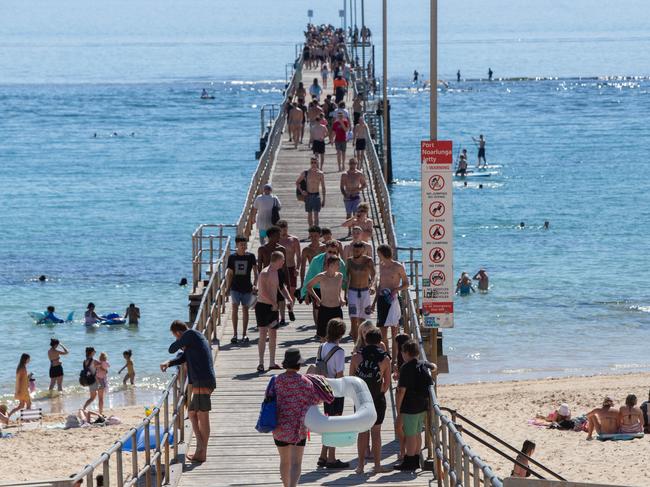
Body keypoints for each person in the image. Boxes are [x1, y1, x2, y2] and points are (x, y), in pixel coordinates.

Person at [161, 320, 216, 463]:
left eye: (175, 336)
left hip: (203, 380)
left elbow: (172, 348)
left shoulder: (190, 334)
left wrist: (180, 341)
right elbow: (182, 357)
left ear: (178, 333)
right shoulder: (193, 339)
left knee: (203, 415)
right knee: (192, 413)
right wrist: (169, 363)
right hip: (200, 380)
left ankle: (202, 451)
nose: (176, 339)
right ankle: (201, 447)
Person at [272, 348, 323, 487]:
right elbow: (316, 400)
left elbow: (268, 399)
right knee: (296, 462)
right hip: (298, 429)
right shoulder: (305, 382)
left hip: (279, 427)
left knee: (284, 461)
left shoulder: (276, 380)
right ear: (298, 364)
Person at [350, 328, 391, 474]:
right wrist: (379, 394)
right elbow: (387, 383)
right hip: (377, 399)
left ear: (365, 340)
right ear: (380, 342)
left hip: (361, 399)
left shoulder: (355, 357)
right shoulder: (385, 359)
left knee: (362, 432)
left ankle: (360, 466)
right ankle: (377, 465)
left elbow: (351, 380)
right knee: (376, 432)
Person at [395, 339, 435, 471]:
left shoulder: (406, 368)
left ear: (406, 352)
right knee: (417, 433)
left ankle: (409, 461)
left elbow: (402, 391)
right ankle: (416, 459)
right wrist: (432, 368)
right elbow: (434, 366)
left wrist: (398, 407)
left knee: (410, 434)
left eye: (402, 352)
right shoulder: (422, 363)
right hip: (422, 405)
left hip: (410, 406)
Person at [316, 319, 348, 469]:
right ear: (341, 334)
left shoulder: (321, 346)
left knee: (329, 422)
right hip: (335, 390)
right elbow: (340, 374)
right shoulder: (339, 351)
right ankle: (331, 458)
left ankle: (323, 455)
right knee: (335, 424)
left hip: (324, 389)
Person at [255, 252, 293, 372]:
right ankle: (261, 362)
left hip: (273, 307)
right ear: (276, 260)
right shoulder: (264, 273)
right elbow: (263, 292)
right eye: (282, 260)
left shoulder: (277, 272)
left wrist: (289, 298)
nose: (283, 262)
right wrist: (273, 303)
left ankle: (272, 362)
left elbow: (281, 287)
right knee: (262, 334)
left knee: (273, 334)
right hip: (263, 306)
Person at [374, 244, 409, 359]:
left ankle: (395, 360)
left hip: (393, 300)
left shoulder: (398, 266)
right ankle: (387, 358)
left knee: (395, 333)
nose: (378, 256)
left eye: (379, 254)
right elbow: (380, 284)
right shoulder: (381, 265)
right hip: (382, 299)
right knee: (383, 333)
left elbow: (406, 283)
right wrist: (374, 302)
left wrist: (397, 289)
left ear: (384, 253)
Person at [226, 235, 258, 344]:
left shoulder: (251, 256)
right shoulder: (232, 257)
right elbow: (230, 274)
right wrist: (227, 288)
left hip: (247, 288)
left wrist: (255, 284)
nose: (243, 246)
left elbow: (255, 272)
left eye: (245, 244)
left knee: (245, 310)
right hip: (235, 288)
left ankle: (244, 334)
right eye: (241, 245)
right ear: (236, 245)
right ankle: (235, 334)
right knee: (234, 309)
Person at [307, 256, 345, 341]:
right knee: (323, 336)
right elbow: (309, 286)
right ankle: (323, 353)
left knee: (337, 336)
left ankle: (334, 353)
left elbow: (341, 289)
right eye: (337, 264)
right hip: (324, 308)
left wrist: (342, 298)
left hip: (336, 309)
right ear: (330, 265)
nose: (339, 266)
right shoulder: (321, 276)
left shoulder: (340, 276)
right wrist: (317, 299)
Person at [258, 226, 290, 326]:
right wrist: (258, 281)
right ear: (270, 237)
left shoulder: (281, 249)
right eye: (277, 236)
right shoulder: (262, 249)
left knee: (281, 297)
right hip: (266, 275)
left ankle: (283, 318)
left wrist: (287, 282)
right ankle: (269, 316)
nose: (279, 238)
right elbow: (259, 265)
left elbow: (285, 266)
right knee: (269, 295)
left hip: (279, 274)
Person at [345, 242, 376, 341]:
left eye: (357, 251)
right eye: (354, 250)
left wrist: (373, 286)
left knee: (363, 320)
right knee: (354, 319)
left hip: (365, 292)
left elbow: (374, 275)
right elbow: (345, 278)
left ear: (363, 250)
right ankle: (356, 346)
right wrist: (343, 294)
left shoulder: (368, 261)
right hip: (352, 292)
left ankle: (363, 343)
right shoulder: (349, 261)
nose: (355, 252)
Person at [296, 157, 326, 227]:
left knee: (316, 214)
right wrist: (302, 191)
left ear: (317, 163)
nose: (313, 164)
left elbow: (323, 187)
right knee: (309, 214)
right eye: (312, 162)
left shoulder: (320, 174)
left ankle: (316, 230)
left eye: (315, 162)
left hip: (316, 195)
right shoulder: (306, 173)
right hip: (308, 195)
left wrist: (324, 199)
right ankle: (310, 230)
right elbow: (297, 182)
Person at [278, 220, 301, 303]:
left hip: (291, 267)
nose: (284, 231)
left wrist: (297, 268)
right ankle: (282, 310)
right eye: (282, 230)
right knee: (280, 290)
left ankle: (291, 309)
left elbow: (298, 256)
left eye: (285, 229)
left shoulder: (294, 240)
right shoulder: (276, 240)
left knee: (292, 290)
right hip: (280, 268)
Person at [340, 158, 367, 224]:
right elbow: (341, 186)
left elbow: (364, 184)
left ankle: (355, 228)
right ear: (349, 164)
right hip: (348, 196)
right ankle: (349, 230)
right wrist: (345, 194)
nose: (352, 165)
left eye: (354, 163)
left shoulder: (359, 174)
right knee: (348, 214)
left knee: (356, 214)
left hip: (356, 196)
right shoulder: (345, 174)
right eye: (351, 163)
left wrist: (358, 189)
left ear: (356, 164)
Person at [82, 347, 101, 413]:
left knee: (93, 396)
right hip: (94, 380)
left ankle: (84, 407)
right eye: (94, 351)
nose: (95, 352)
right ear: (91, 352)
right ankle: (84, 408)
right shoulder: (93, 360)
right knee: (93, 397)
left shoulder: (85, 361)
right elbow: (101, 364)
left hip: (89, 380)